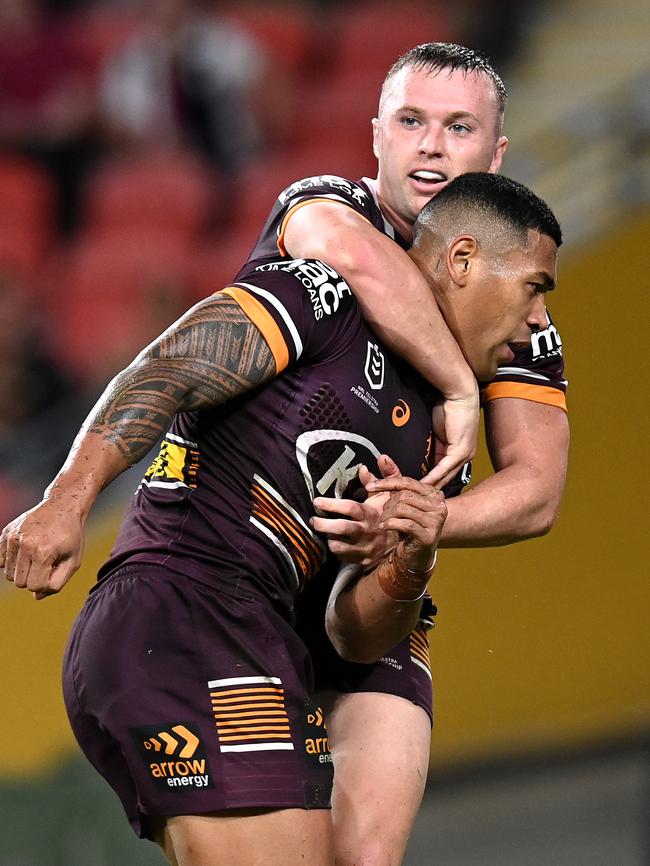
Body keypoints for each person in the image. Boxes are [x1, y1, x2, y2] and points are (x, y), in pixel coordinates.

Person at [0, 171, 562, 865]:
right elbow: (174, 364)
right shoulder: (327, 295)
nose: (540, 320)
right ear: (465, 261)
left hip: (255, 643)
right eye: (536, 287)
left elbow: (355, 638)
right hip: (181, 613)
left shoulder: (442, 439)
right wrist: (68, 498)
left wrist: (414, 548)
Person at [235, 42, 570, 865]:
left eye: (459, 128)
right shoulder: (322, 205)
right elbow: (352, 258)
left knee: (366, 857)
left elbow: (538, 489)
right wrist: (460, 387)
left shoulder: (513, 296)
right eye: (412, 122)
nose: (430, 145)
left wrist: (428, 521)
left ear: (495, 156)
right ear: (376, 135)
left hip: (374, 596)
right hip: (245, 582)